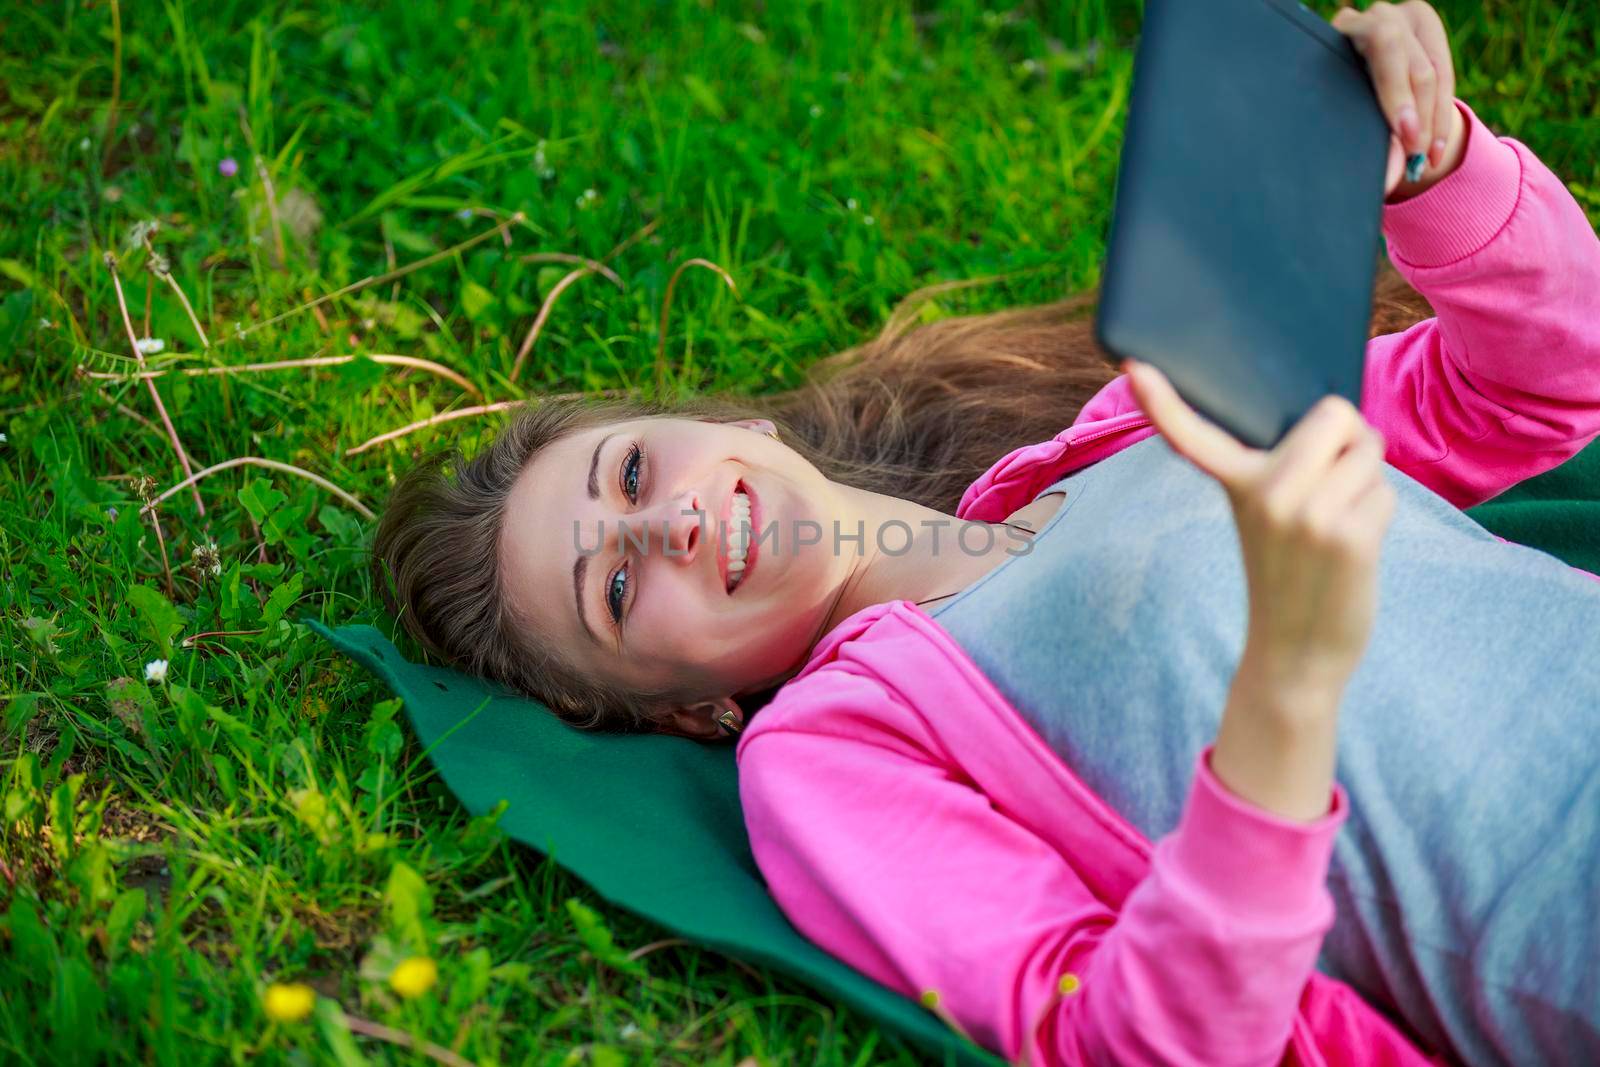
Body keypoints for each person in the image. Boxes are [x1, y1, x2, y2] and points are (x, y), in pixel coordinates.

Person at [372, 3, 1600, 1064]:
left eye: (634, 469)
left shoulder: (1132, 420)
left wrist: (1438, 168)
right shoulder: (828, 758)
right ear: (684, 713)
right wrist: (1285, 686)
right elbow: (1125, 1036)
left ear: (724, 421)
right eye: (619, 584)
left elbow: (1538, 391)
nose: (673, 521)